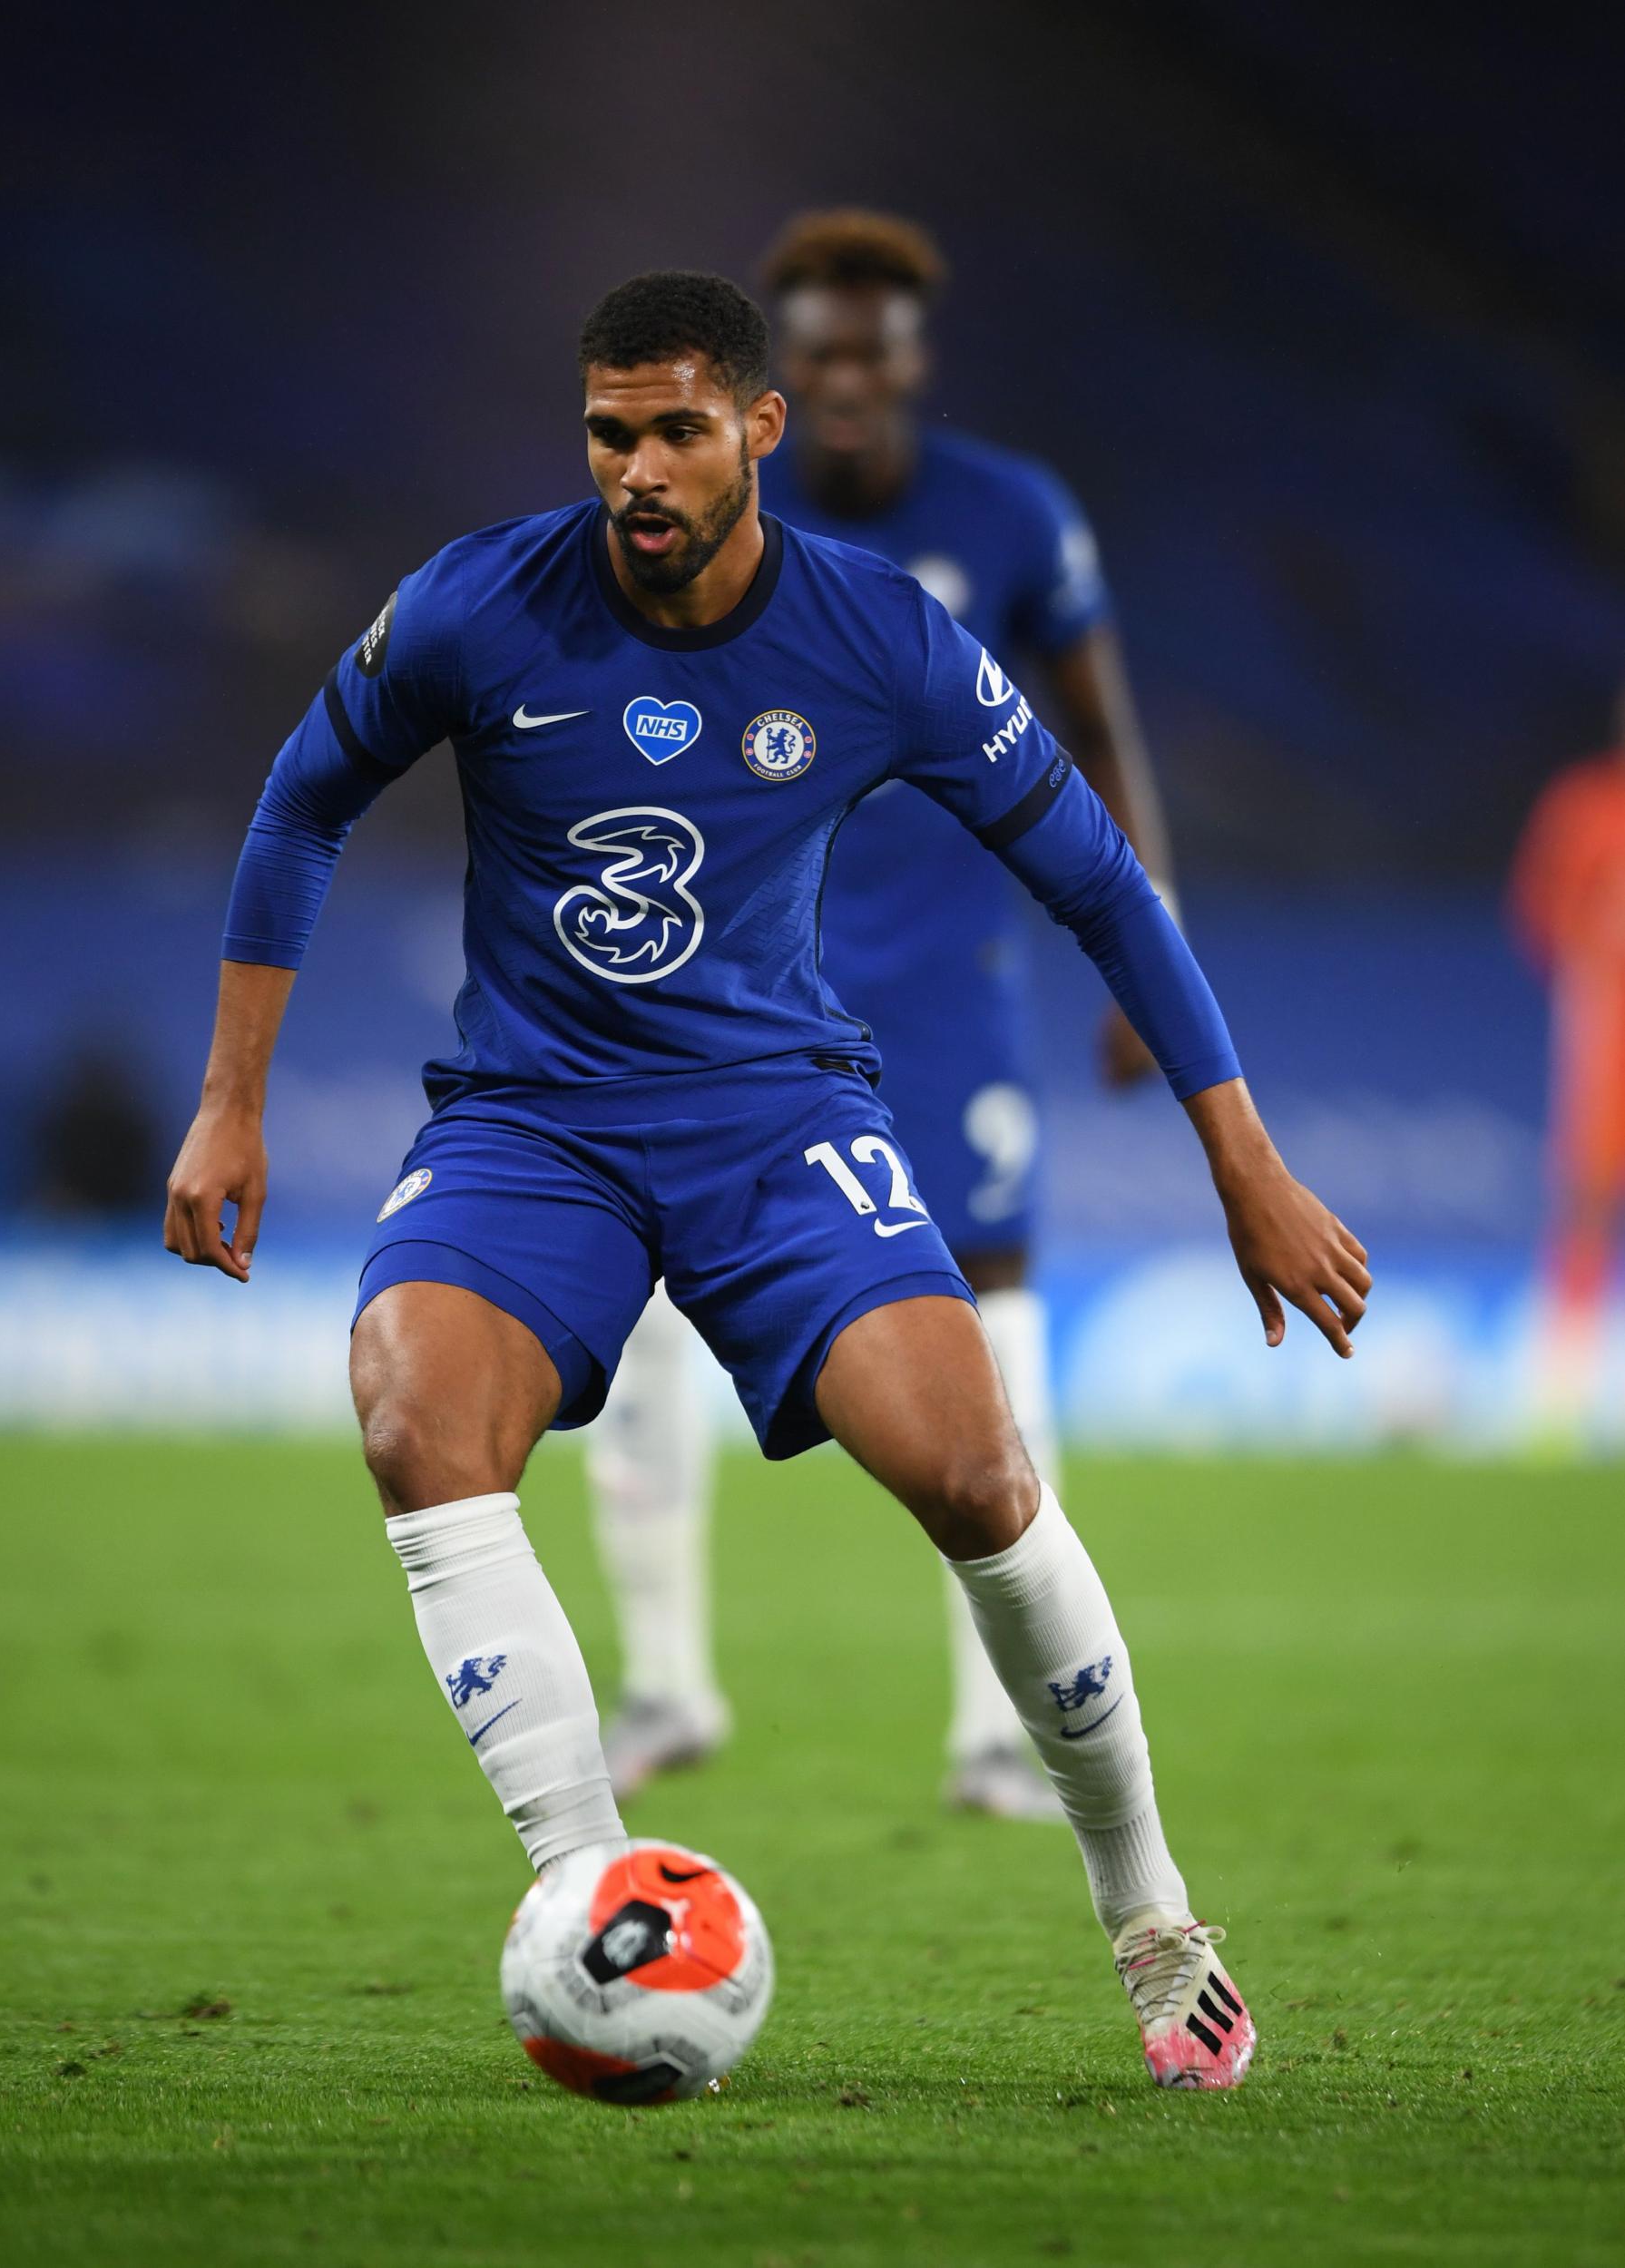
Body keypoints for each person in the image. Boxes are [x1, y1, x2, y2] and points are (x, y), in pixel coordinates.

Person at [163, 269, 1370, 2089]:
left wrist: (1246, 1166)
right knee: (417, 1415)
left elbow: (1105, 881)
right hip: (532, 1120)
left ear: (756, 430)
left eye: (674, 431)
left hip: (772, 1118)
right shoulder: (480, 599)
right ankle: (591, 1896)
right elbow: (301, 799)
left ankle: (1151, 1911)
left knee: (973, 1466)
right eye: (608, 433)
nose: (636, 470)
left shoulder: (879, 636)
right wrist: (229, 1099)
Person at [590, 210, 1177, 1821]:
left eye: (877, 351)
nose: (852, 380)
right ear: (774, 383)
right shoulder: (699, 529)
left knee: (984, 1319)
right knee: (640, 1294)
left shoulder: (1009, 517)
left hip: (942, 989)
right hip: (730, 987)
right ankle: (660, 1685)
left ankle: (1002, 1729)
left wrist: (1151, 942)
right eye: (822, 353)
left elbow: (1099, 732)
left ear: (914, 361)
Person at [1507, 711, 1625, 1439]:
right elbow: (1540, 914)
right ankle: (1562, 1399)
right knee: (1584, 1195)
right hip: (1603, 1018)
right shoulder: (1583, 805)